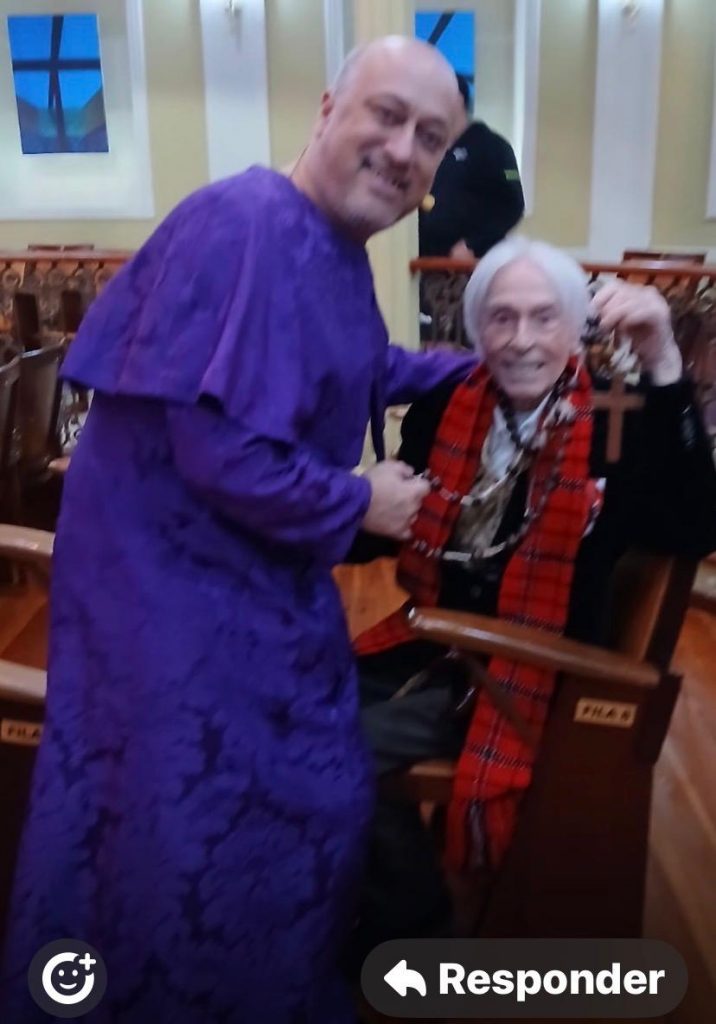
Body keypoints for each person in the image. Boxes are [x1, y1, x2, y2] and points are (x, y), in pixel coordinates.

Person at [0, 37, 473, 1024]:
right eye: (386, 116)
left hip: (243, 582)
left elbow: (365, 365)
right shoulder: (247, 221)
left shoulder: (328, 246)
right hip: (168, 605)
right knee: (198, 828)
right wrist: (363, 502)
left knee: (304, 795)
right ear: (326, 110)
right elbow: (221, 452)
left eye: (430, 138)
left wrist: (489, 357)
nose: (404, 150)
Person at [350, 237, 716, 953]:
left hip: (535, 674)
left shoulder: (616, 415)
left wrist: (664, 362)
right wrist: (339, 508)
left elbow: (695, 526)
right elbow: (395, 527)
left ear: (576, 327)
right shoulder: (444, 408)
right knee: (287, 700)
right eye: (502, 318)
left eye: (545, 318)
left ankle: (414, 927)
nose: (521, 340)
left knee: (332, 745)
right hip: (444, 643)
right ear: (477, 329)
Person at [418, 74, 525, 261]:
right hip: (424, 262)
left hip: (469, 262)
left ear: (458, 99)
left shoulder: (492, 146)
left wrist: (473, 244)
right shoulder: (428, 146)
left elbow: (512, 206)